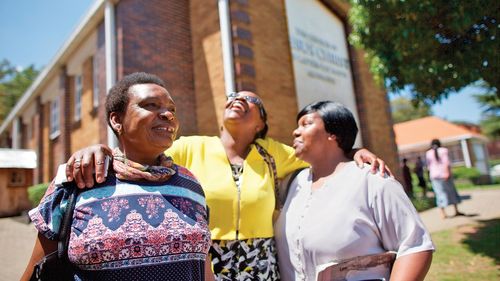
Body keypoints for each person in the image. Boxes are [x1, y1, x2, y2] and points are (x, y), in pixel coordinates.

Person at [64, 91, 390, 280]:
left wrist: (356, 150)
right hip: (207, 258)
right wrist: (100, 149)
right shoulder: (191, 147)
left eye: (251, 100)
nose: (239, 99)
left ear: (261, 123)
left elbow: (324, 150)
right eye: (234, 96)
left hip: (261, 258)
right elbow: (136, 151)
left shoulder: (273, 152)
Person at [21, 72, 213, 281]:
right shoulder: (80, 179)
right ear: (116, 120)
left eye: (172, 109)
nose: (168, 114)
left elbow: (202, 267)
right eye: (151, 105)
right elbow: (36, 271)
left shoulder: (190, 184)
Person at [274, 101, 434, 281]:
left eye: (306, 124)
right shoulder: (293, 182)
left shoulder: (372, 179)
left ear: (333, 133)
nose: (295, 132)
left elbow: (414, 246)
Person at [426, 139, 464, 219]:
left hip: (434, 176)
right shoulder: (444, 150)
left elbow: (429, 167)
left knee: (439, 194)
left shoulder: (428, 153)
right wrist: (447, 173)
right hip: (445, 175)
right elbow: (446, 163)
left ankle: (443, 214)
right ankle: (456, 210)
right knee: (452, 192)